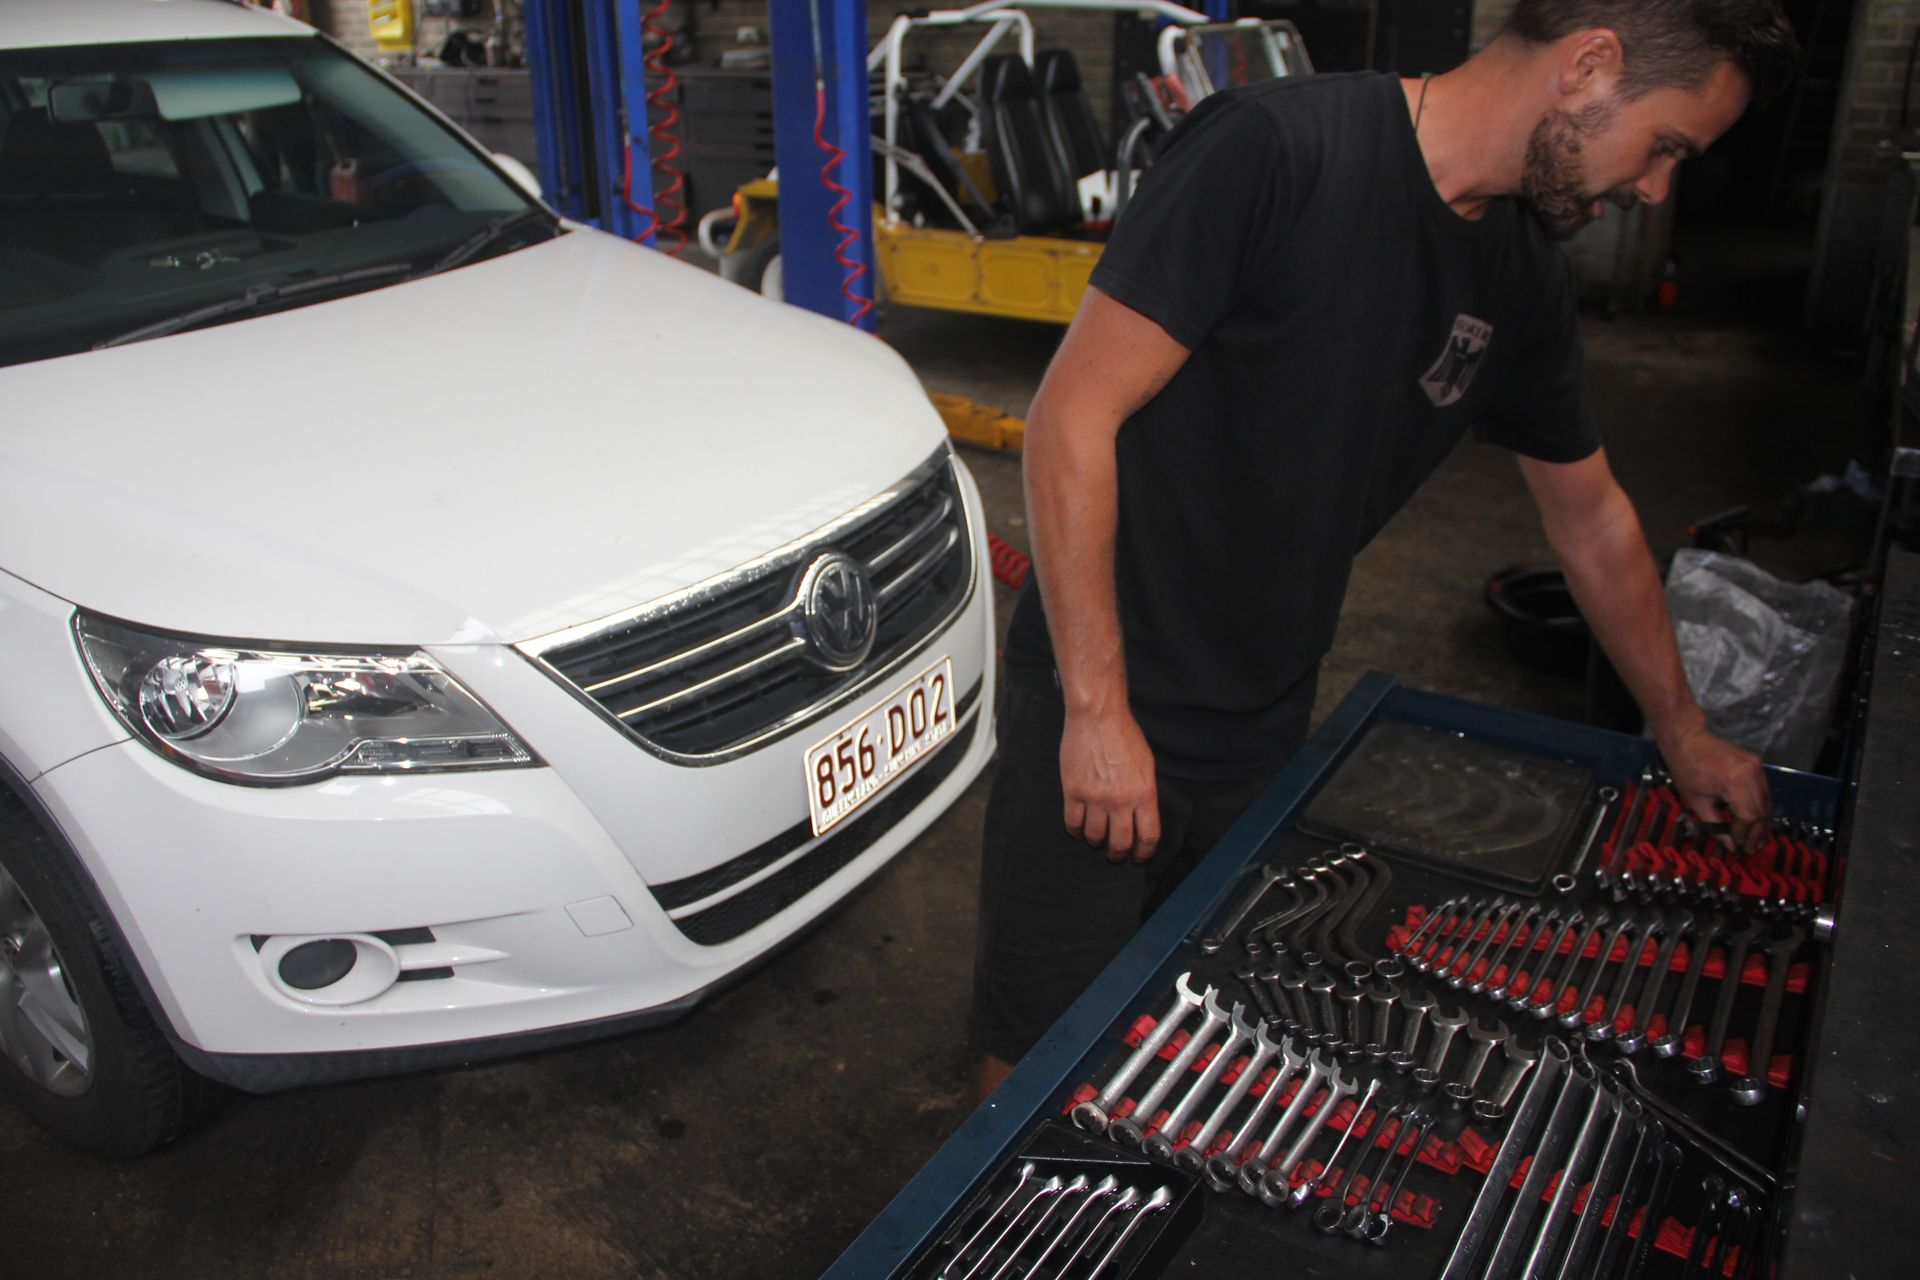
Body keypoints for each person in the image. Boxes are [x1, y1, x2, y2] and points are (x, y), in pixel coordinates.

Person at [969, 0, 1800, 1096]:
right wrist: (1096, 710)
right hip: (1108, 684)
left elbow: (1591, 517)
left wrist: (1682, 727)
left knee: (1169, 1013)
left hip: (1264, 705)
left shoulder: (1522, 277)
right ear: (1590, 66)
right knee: (1035, 1049)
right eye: (1666, 147)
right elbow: (1074, 418)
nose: (1653, 189)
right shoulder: (1276, 150)